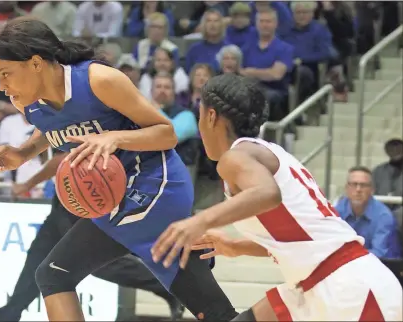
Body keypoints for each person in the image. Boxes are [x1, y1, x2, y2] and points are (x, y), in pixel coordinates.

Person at [0, 17, 237, 322]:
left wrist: (114, 137)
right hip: (114, 199)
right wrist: (22, 153)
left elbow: (167, 134)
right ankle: (186, 249)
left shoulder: (98, 80)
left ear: (35, 63)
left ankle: (182, 241)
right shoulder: (29, 104)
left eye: (6, 74)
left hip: (155, 185)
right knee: (218, 313)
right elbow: (52, 130)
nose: (2, 86)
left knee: (54, 274)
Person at [151, 74, 403, 321]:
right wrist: (238, 247)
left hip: (348, 286)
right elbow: (300, 235)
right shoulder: (265, 153)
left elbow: (268, 194)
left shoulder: (236, 157)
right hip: (316, 284)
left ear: (211, 116)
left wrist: (199, 221)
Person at [0, 152, 184, 322]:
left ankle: (166, 287)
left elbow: (62, 160)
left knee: (90, 264)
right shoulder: (52, 120)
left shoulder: (72, 119)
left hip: (86, 198)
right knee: (40, 258)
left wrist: (27, 184)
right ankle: (10, 314)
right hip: (69, 200)